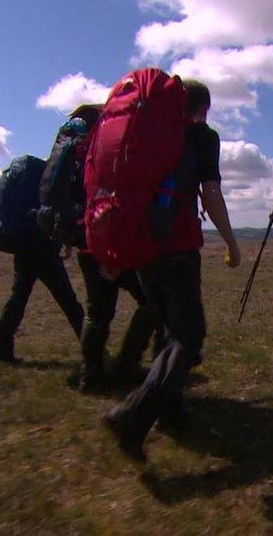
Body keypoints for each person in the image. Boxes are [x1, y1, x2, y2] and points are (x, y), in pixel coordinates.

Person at [103, 79, 242, 462]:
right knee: (189, 336)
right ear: (202, 108)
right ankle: (132, 415)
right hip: (177, 246)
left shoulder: (150, 135)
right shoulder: (200, 135)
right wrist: (230, 240)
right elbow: (210, 193)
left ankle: (171, 409)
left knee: (168, 328)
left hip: (144, 245)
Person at [63, 104, 161, 392]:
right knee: (153, 301)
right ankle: (126, 366)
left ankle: (90, 377)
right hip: (113, 242)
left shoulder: (75, 154)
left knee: (98, 312)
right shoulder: (109, 151)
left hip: (86, 242)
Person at [0, 201, 84, 365]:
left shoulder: (30, 181)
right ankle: (93, 353)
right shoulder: (49, 179)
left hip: (24, 244)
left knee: (18, 298)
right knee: (68, 300)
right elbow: (61, 209)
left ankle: (0, 350)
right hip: (44, 247)